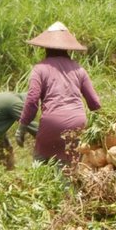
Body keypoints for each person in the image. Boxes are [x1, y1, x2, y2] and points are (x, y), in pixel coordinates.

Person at [16, 21, 101, 164]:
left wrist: (22, 126)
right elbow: (94, 103)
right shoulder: (79, 69)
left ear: (45, 48)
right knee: (70, 169)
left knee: (41, 167)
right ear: (68, 49)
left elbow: (32, 100)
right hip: (77, 123)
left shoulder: (40, 68)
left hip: (52, 122)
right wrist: (100, 125)